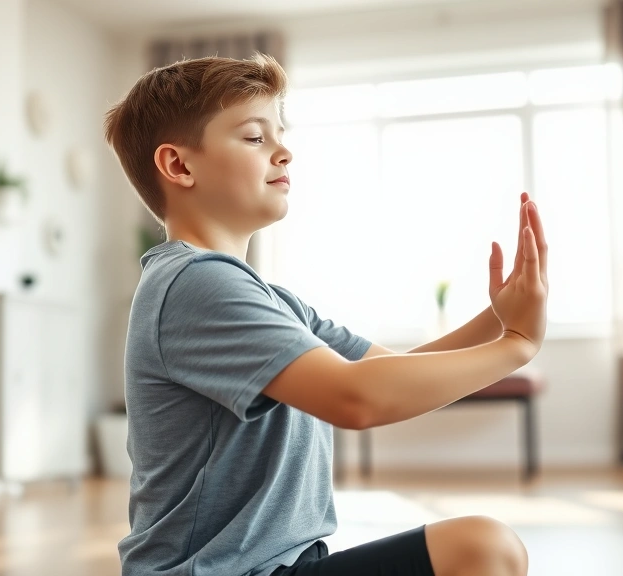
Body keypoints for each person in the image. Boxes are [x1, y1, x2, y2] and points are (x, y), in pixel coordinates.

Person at [103, 53, 548, 576]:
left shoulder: (271, 299)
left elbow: (388, 370)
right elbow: (356, 398)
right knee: (483, 548)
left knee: (484, 548)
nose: (284, 151)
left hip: (285, 566)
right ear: (179, 165)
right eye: (254, 137)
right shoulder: (196, 284)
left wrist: (498, 319)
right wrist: (515, 345)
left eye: (280, 133)